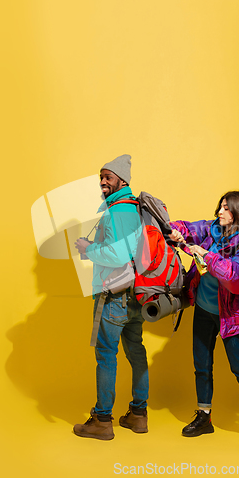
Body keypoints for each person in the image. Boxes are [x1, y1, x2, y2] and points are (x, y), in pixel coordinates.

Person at [169, 191, 239, 447]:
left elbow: (237, 279)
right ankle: (204, 416)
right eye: (220, 207)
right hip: (203, 309)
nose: (220, 213)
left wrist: (204, 254)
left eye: (226, 208)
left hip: (230, 317)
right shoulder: (212, 229)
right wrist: (175, 232)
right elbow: (189, 228)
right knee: (201, 365)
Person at [73, 154, 149, 441]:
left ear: (122, 180)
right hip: (136, 295)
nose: (103, 182)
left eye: (108, 177)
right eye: (101, 177)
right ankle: (139, 415)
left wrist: (87, 249)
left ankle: (102, 420)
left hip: (113, 294)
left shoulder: (117, 211)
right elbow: (128, 251)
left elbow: (118, 255)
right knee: (136, 351)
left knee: (106, 356)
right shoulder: (133, 208)